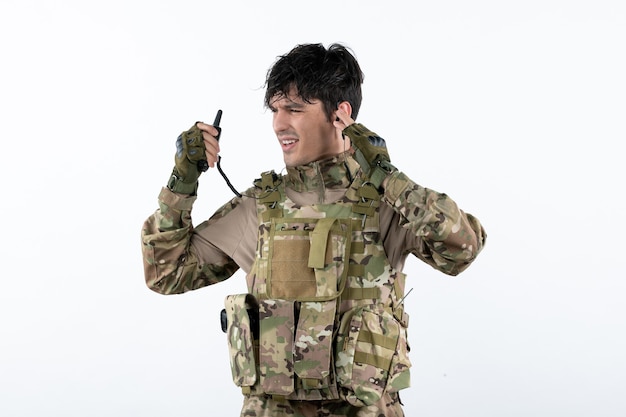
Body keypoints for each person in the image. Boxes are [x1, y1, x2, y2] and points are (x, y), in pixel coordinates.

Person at [141, 43, 486, 417]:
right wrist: (182, 180)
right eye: (275, 110)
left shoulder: (389, 202)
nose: (278, 124)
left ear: (341, 115)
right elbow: (166, 273)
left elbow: (462, 248)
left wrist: (388, 177)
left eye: (294, 109)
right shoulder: (259, 206)